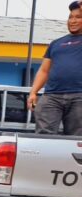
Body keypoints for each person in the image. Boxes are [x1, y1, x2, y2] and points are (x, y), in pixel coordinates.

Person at [28, 1, 82, 135]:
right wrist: (33, 92)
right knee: (44, 135)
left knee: (77, 138)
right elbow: (44, 70)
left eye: (78, 17)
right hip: (52, 96)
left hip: (79, 97)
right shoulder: (56, 43)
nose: (73, 21)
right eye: (70, 17)